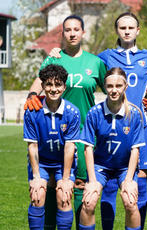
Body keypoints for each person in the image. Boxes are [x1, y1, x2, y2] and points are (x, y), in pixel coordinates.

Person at [24, 15, 107, 228]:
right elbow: (38, 84)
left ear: (83, 32)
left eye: (76, 29)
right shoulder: (54, 59)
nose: (72, 33)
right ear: (62, 34)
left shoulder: (95, 62)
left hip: (84, 133)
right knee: (52, 186)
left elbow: (114, 91)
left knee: (79, 185)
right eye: (67, 30)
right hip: (54, 130)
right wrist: (31, 98)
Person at [96, 12, 147, 229]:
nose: (126, 31)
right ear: (117, 30)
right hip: (111, 124)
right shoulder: (104, 57)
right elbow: (90, 73)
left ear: (138, 30)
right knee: (109, 183)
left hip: (140, 126)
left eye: (130, 27)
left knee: (140, 182)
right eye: (122, 27)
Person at [79, 67, 145, 230]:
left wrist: (129, 180)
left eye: (118, 86)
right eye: (109, 86)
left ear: (125, 87)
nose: (113, 90)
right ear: (104, 87)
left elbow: (135, 150)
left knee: (130, 202)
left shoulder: (135, 114)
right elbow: (88, 147)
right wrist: (92, 181)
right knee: (89, 201)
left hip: (124, 168)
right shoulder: (94, 112)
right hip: (101, 166)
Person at [24, 64, 80, 229]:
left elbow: (70, 147)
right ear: (42, 86)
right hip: (41, 162)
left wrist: (65, 179)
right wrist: (36, 177)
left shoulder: (72, 112)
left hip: (62, 163)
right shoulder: (32, 111)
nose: (53, 89)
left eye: (57, 84)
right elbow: (32, 146)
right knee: (37, 194)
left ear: (64, 86)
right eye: (48, 84)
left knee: (64, 196)